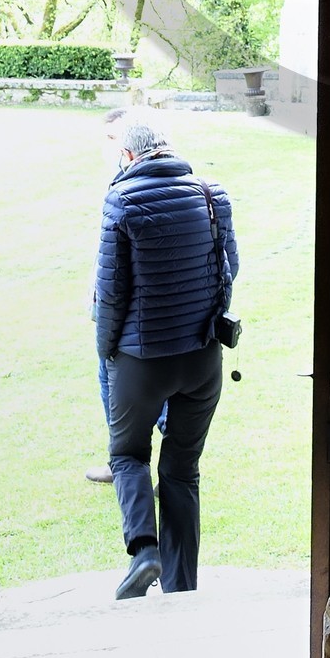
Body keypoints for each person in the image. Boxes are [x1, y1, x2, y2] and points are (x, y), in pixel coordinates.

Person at [93, 108, 238, 599]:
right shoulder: (211, 195)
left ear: (129, 154)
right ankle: (182, 588)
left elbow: (111, 294)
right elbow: (229, 268)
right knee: (181, 470)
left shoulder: (121, 201)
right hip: (202, 359)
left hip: (142, 361)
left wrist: (108, 352)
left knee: (127, 454)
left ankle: (145, 552)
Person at [84, 107, 127, 484]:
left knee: (112, 385)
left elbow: (114, 268)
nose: (107, 146)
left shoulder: (124, 190)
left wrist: (105, 326)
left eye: (113, 138)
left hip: (123, 320)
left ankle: (122, 464)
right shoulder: (118, 182)